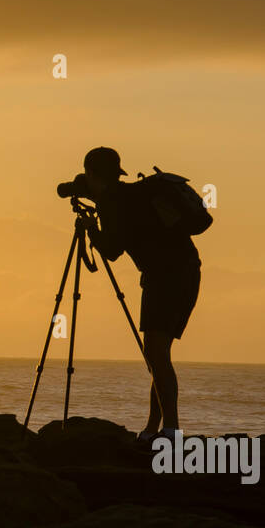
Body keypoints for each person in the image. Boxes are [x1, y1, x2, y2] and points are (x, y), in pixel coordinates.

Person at [76, 147, 201, 441]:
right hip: (185, 272)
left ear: (92, 174)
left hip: (165, 277)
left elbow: (112, 251)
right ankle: (153, 429)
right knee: (157, 354)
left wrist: (91, 229)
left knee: (156, 353)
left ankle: (170, 430)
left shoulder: (112, 202)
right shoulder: (133, 194)